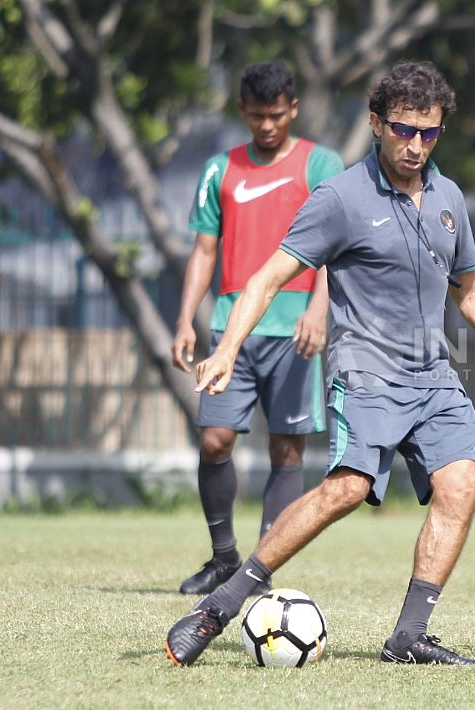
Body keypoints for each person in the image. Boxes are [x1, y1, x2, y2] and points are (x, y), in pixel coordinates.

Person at [165, 61, 475, 667]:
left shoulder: (449, 199)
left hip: (434, 376)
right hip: (366, 370)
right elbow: (267, 279)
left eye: (430, 133)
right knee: (347, 489)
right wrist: (228, 347)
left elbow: (469, 290)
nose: (417, 145)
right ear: (376, 123)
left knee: (464, 481)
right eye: (404, 130)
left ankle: (408, 637)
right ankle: (219, 606)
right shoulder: (340, 197)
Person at [171, 61, 343, 596]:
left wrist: (320, 309)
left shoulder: (322, 163)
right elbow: (203, 250)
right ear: (242, 112)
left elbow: (339, 245)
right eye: (255, 116)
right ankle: (225, 559)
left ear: (292, 107)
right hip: (232, 331)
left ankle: (258, 571)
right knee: (215, 440)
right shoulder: (220, 169)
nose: (266, 126)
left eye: (275, 115)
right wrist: (184, 318)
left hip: (296, 332)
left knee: (287, 452)